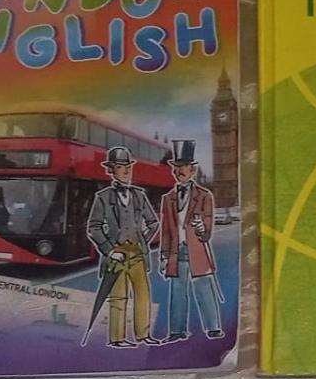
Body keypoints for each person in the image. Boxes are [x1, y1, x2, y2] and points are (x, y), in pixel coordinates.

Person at [86, 146, 160, 348]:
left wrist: (143, 240)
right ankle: (117, 338)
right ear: (111, 170)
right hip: (116, 254)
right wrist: (110, 250)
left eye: (128, 166)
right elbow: (93, 228)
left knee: (143, 294)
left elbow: (153, 223)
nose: (127, 170)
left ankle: (143, 335)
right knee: (118, 297)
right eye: (121, 167)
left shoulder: (139, 195)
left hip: (137, 253)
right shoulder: (103, 197)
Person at [157, 139, 225, 342]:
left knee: (204, 287)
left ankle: (213, 327)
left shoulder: (205, 196)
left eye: (182, 167)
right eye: (175, 168)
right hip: (176, 252)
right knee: (177, 290)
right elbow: (166, 231)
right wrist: (164, 256)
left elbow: (208, 223)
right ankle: (177, 331)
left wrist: (203, 228)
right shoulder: (168, 198)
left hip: (196, 250)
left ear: (193, 170)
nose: (178, 172)